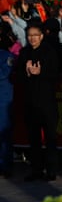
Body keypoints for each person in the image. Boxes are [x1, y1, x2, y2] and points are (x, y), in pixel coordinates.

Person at [16, 22, 59, 181]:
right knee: (33, 138)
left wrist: (41, 72)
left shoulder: (49, 52)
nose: (32, 38)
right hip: (30, 102)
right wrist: (27, 73)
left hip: (46, 101)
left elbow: (55, 74)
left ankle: (51, 170)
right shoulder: (24, 52)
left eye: (35, 35)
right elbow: (17, 77)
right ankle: (36, 170)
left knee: (50, 137)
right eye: (30, 36)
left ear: (41, 36)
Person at [0, 23, 15, 178]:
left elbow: (4, 73)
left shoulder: (7, 56)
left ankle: (6, 165)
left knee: (4, 134)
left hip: (3, 100)